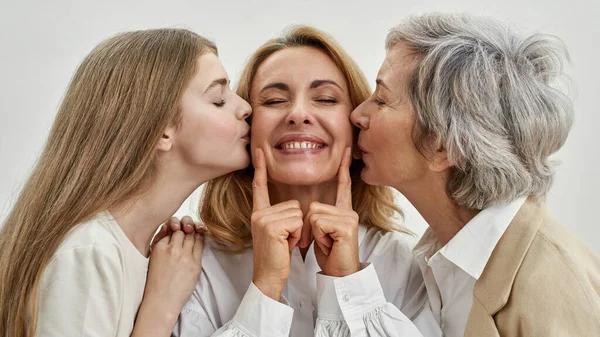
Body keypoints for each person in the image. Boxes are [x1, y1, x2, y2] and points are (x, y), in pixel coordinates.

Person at [319, 13, 600, 336]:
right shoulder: (439, 261)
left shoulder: (554, 287)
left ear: (444, 146)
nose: (357, 115)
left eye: (381, 99)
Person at [172, 26, 429, 337]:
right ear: (247, 127)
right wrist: (265, 289)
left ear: (357, 125)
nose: (298, 114)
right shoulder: (194, 266)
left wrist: (349, 281)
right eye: (274, 100)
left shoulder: (406, 264)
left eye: (325, 98)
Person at [0, 28, 252, 337]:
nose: (245, 107)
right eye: (219, 99)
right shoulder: (89, 253)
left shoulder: (135, 252)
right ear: (162, 130)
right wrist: (160, 309)